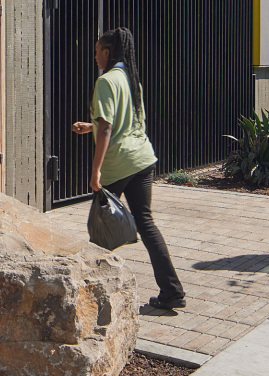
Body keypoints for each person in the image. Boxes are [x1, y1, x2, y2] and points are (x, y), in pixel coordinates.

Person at [71, 26, 186, 310]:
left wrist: (95, 171)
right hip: (143, 159)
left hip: (119, 163)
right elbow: (124, 122)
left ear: (107, 52)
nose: (95, 57)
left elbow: (109, 127)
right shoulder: (131, 80)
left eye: (97, 52)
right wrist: (91, 126)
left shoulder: (106, 81)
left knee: (99, 231)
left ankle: (93, 300)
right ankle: (172, 291)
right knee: (145, 224)